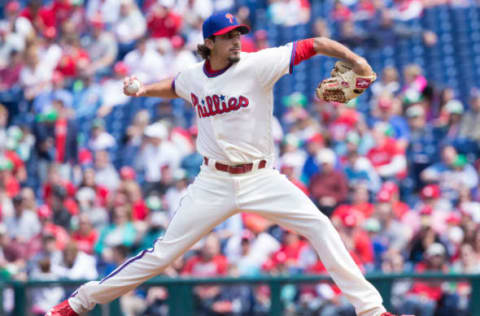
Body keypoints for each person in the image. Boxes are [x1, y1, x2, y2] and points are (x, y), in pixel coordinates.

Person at [47, 12, 396, 316]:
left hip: (262, 178)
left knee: (321, 227)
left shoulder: (258, 64)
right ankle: (79, 303)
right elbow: (175, 86)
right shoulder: (195, 76)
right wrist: (142, 90)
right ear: (209, 43)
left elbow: (317, 43)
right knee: (162, 254)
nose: (236, 41)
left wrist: (358, 62)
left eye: (238, 35)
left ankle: (372, 311)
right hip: (213, 181)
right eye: (227, 37)